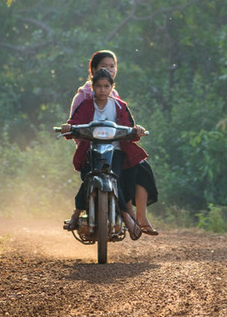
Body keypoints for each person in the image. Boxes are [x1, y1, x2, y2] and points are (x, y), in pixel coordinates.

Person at [68, 50, 159, 235]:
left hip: (115, 149)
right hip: (90, 149)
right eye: (104, 67)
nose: (103, 89)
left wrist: (136, 131)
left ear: (111, 86)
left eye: (112, 66)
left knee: (134, 170)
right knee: (89, 179)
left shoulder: (117, 101)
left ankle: (138, 217)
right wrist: (69, 129)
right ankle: (122, 215)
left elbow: (126, 125)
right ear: (93, 72)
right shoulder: (84, 99)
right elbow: (74, 124)